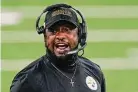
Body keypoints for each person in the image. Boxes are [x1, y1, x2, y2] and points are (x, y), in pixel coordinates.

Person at [10, 3, 106, 92]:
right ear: (45, 36)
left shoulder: (94, 71)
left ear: (80, 34)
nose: (60, 36)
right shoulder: (27, 80)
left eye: (67, 30)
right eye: (53, 30)